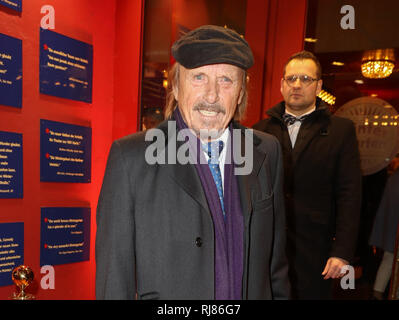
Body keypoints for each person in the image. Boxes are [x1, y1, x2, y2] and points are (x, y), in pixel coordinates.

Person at [95, 25, 290, 300]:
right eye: (198, 77)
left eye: (226, 80)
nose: (212, 96)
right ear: (176, 85)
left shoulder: (266, 152)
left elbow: (275, 267)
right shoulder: (131, 158)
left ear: (241, 91)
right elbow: (113, 281)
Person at [253, 50, 362, 299]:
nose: (297, 85)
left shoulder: (341, 131)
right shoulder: (259, 131)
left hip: (317, 249)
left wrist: (342, 251)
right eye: (291, 79)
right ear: (282, 84)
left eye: (305, 79)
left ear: (319, 85)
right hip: (267, 244)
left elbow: (350, 194)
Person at [369, 167, 399, 299]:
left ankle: (378, 292)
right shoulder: (395, 179)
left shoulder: (394, 178)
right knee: (391, 258)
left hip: (393, 231)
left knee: (389, 258)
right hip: (395, 231)